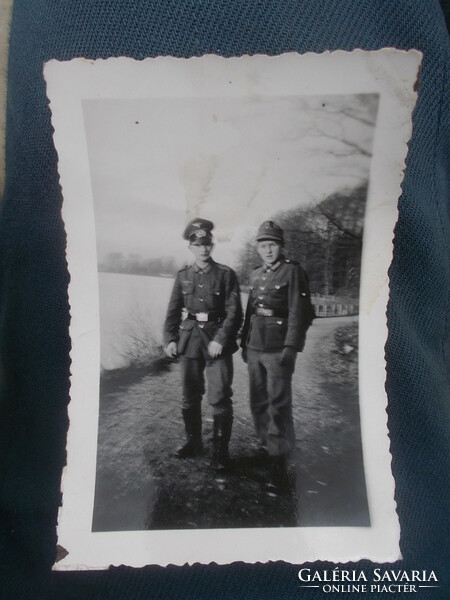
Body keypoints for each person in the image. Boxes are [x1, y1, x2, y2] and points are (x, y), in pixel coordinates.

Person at [241, 220, 315, 493]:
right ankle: (269, 447)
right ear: (258, 248)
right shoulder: (257, 274)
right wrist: (244, 341)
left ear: (281, 246)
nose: (267, 250)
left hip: (278, 348)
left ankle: (278, 465)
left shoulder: (293, 272)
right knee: (257, 401)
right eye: (263, 245)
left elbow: (301, 312)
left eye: (272, 244)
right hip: (256, 347)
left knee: (278, 405)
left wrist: (291, 347)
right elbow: (251, 311)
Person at [163, 218, 242, 472]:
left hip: (216, 342)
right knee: (190, 395)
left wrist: (221, 339)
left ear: (212, 245)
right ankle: (193, 442)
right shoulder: (183, 275)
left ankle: (220, 453)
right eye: (198, 244)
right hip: (189, 341)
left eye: (207, 243)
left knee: (219, 396)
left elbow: (234, 313)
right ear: (191, 247)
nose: (203, 249)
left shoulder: (226, 275)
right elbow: (173, 310)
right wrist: (170, 339)